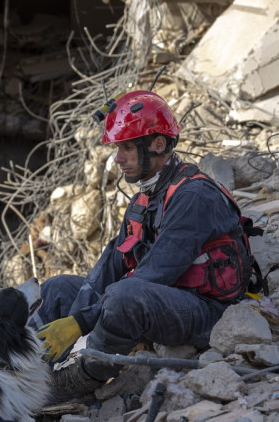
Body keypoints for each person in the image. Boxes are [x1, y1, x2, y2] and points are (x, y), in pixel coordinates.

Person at [30, 90, 262, 402]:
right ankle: (21, 373)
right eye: (117, 148)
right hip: (165, 301)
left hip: (208, 312)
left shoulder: (192, 196)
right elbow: (110, 265)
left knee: (124, 296)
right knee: (57, 289)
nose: (118, 158)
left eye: (126, 147)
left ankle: (79, 378)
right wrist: (74, 317)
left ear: (157, 144)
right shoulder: (145, 198)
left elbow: (155, 274)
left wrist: (81, 322)